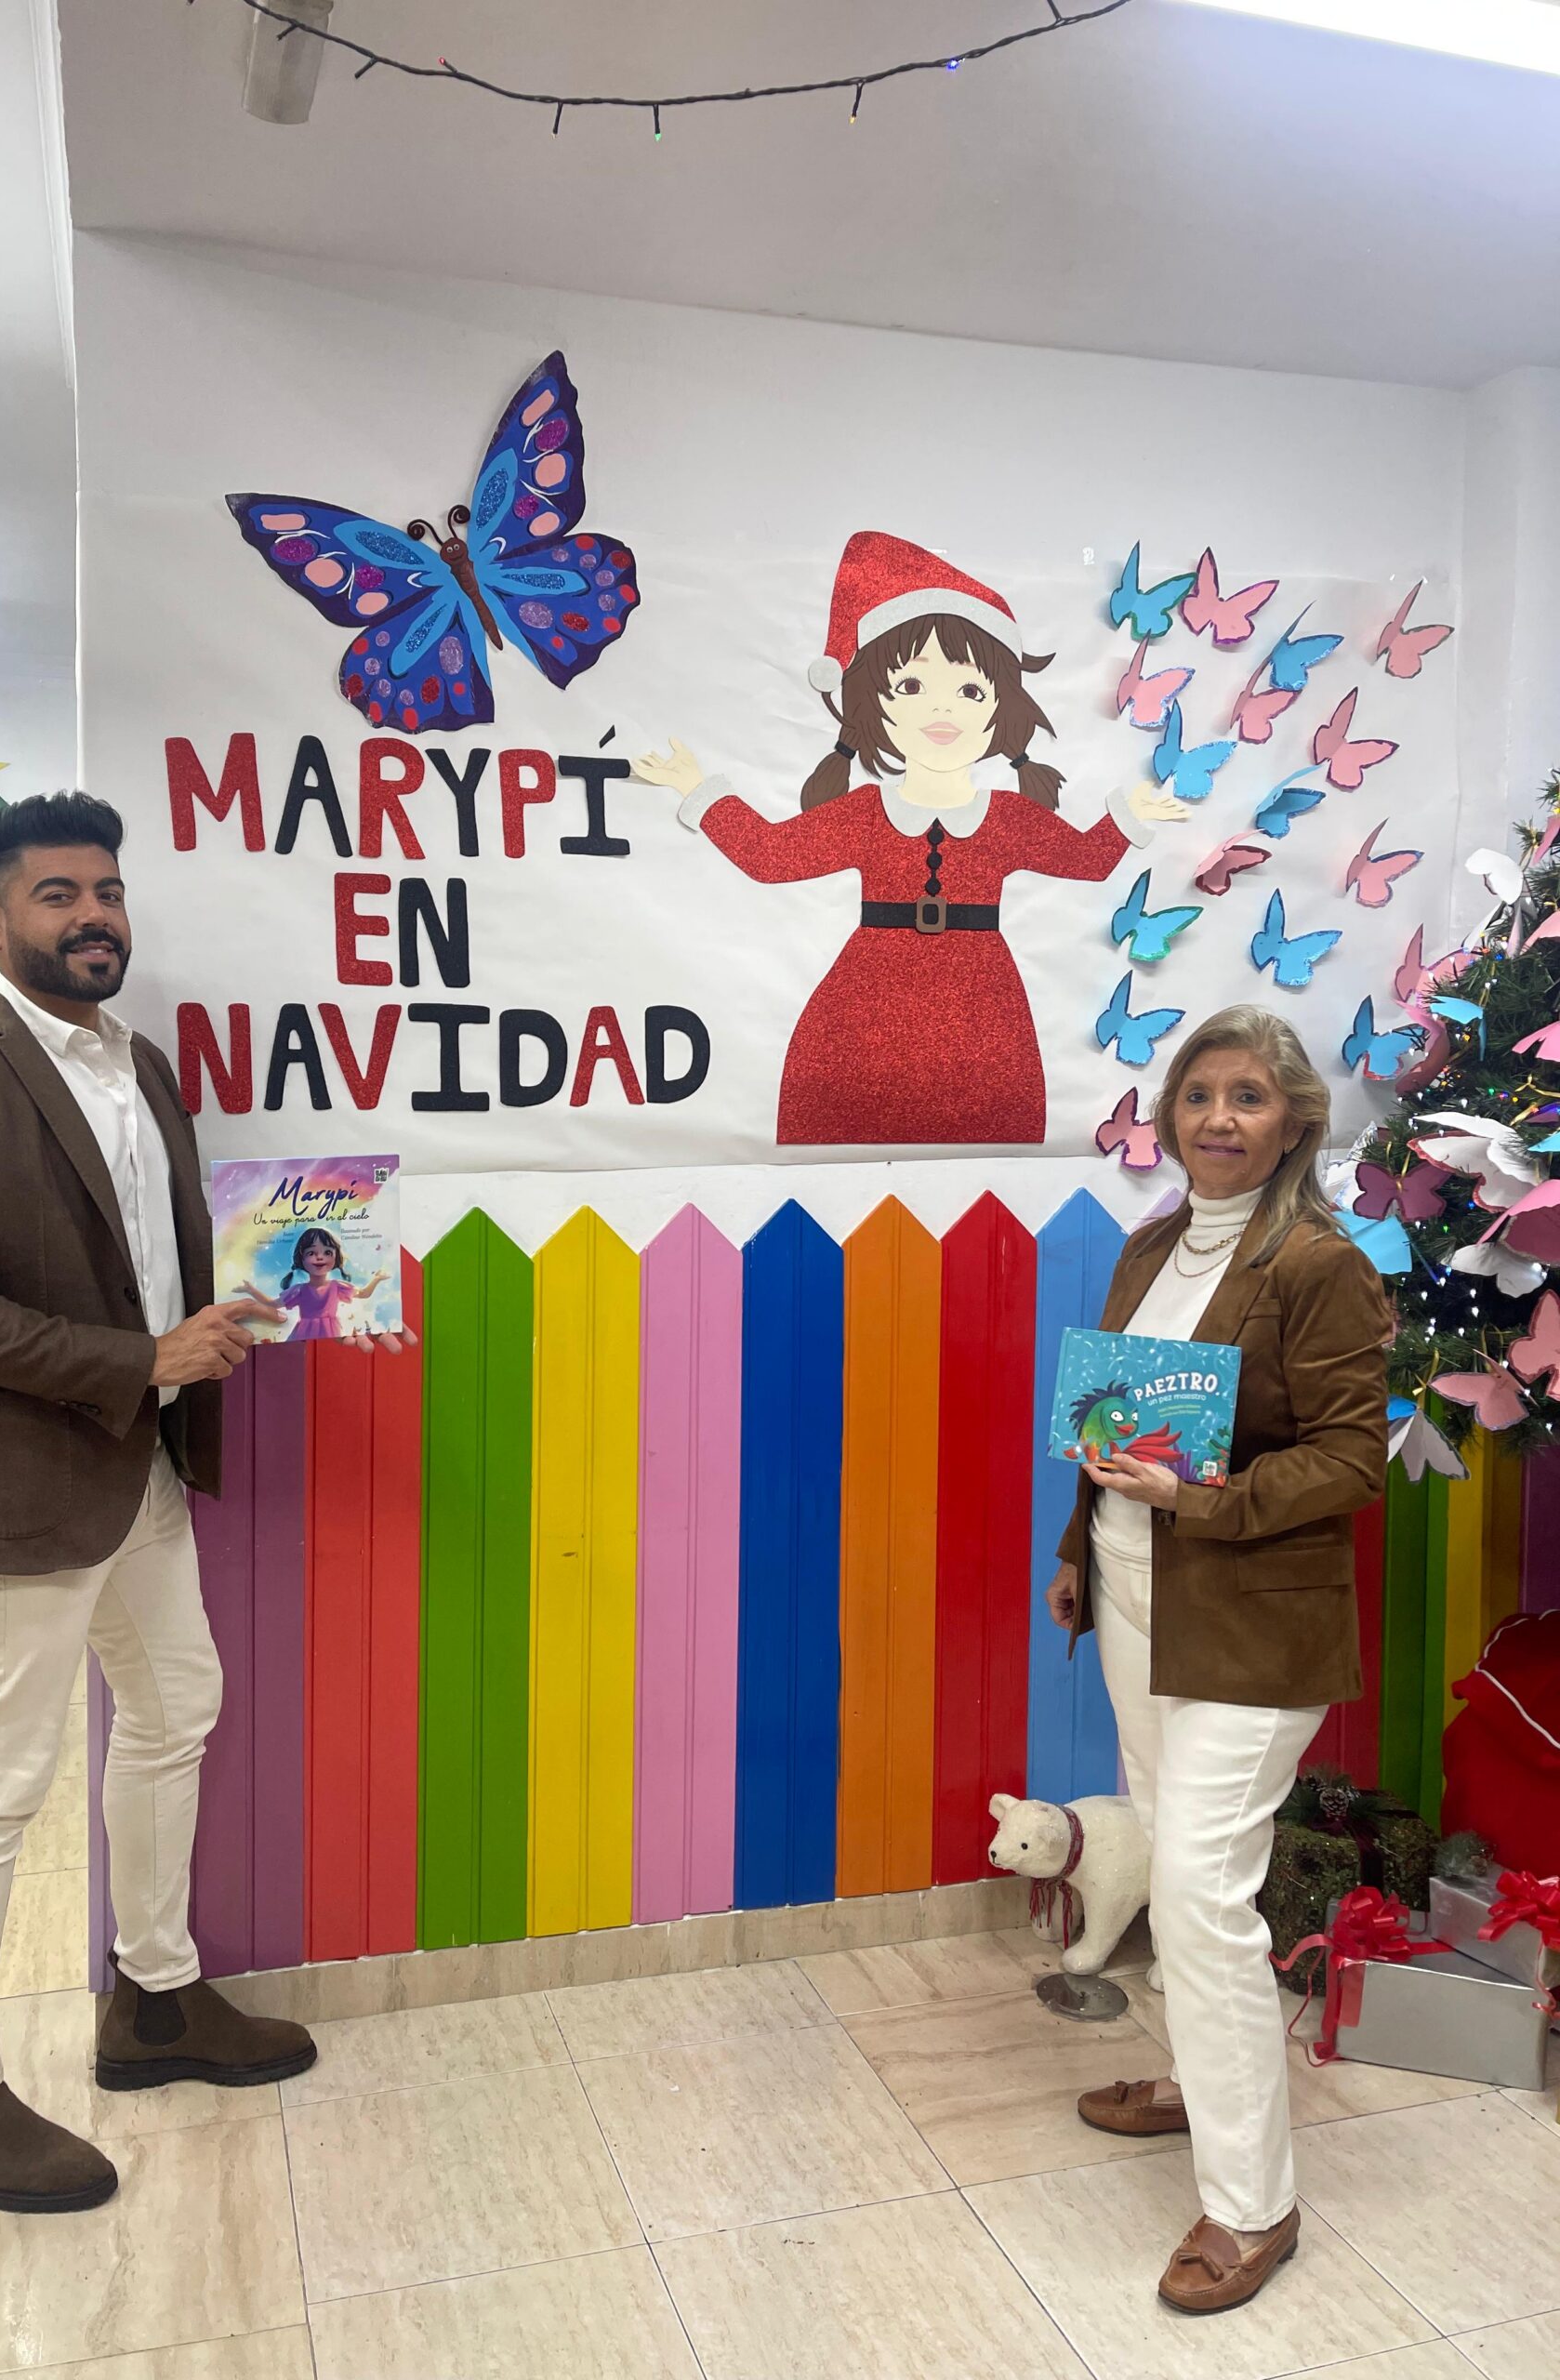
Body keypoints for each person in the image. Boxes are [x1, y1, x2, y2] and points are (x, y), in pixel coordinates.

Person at [0, 789, 414, 2215]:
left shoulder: (140, 1063)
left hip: (145, 1466)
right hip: (24, 1484)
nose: (92, 915)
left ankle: (154, 2000)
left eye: (105, 891)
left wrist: (294, 1302)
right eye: (57, 895)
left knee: (178, 1710)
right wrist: (139, 1359)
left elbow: (154, 1265)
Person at [1047, 1004, 1392, 2314]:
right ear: (1170, 1117)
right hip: (1138, 1601)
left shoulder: (1317, 1264)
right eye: (1198, 1096)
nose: (1218, 1119)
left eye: (1248, 1096)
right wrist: (1084, 1539)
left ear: (1294, 1119)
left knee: (1197, 1890)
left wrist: (1200, 1504)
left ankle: (1253, 2205)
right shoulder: (1146, 1251)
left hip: (1255, 1618)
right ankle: (1199, 2082)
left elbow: (1352, 1462)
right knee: (1169, 1848)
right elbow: (1114, 1423)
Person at [634, 530, 1190, 1145]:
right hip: (863, 1015)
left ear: (1000, 707)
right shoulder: (867, 811)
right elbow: (771, 856)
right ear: (873, 702)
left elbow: (1085, 860)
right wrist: (700, 789)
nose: (941, 711)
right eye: (912, 687)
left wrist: (1127, 816)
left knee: (987, 1152)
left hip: (982, 1019)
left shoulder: (1007, 816)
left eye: (971, 690)